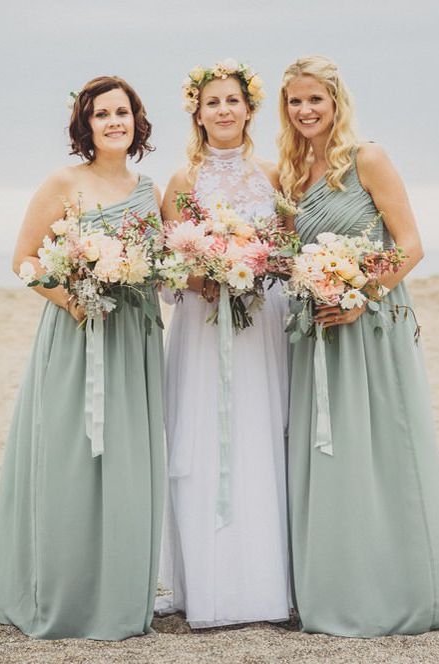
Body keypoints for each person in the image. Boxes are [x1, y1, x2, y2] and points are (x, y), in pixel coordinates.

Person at [0, 76, 164, 640]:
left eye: (122, 112)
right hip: (78, 334)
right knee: (71, 459)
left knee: (126, 462)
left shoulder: (149, 189)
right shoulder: (63, 182)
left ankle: (118, 590)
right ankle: (63, 588)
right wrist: (74, 300)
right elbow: (24, 261)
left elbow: (161, 270)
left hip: (134, 341)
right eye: (102, 114)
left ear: (136, 120)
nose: (114, 121)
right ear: (86, 125)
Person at [278, 55, 439, 637]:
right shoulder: (290, 173)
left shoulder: (365, 157)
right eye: (295, 101)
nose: (305, 110)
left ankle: (398, 585)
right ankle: (333, 582)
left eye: (315, 99)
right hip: (316, 327)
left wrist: (359, 294)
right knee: (326, 456)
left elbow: (411, 245)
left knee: (378, 451)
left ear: (336, 100)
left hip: (369, 325)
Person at [158, 59, 291, 627]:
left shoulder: (274, 174)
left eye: (232, 100)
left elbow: (287, 253)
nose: (223, 111)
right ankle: (205, 583)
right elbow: (167, 269)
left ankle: (266, 581)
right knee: (204, 438)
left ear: (250, 107)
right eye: (212, 102)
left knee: (262, 434)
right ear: (197, 112)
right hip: (202, 323)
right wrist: (209, 275)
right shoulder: (183, 182)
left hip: (261, 322)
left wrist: (253, 266)